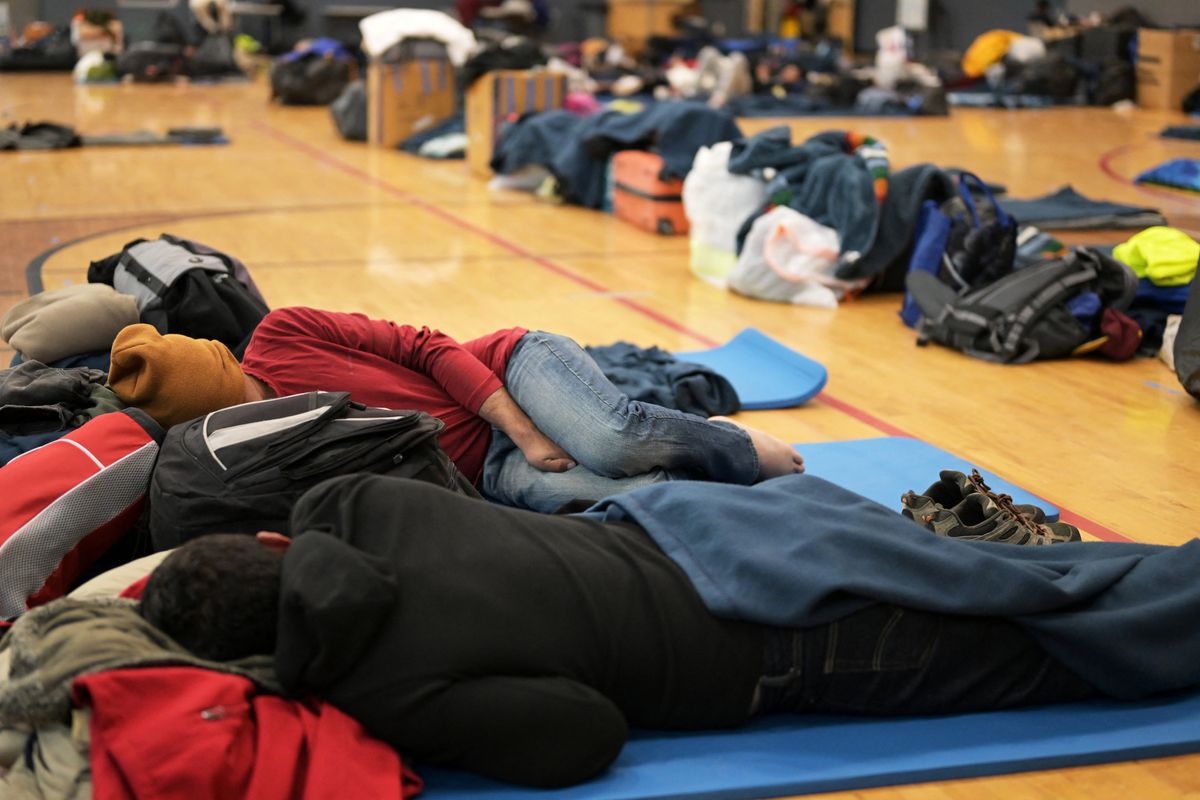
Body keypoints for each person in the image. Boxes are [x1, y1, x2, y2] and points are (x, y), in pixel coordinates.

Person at [138, 473, 1200, 788]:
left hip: (773, 633)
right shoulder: (357, 501)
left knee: (1078, 641)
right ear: (273, 546)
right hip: (727, 519)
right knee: (1051, 576)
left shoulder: (386, 685)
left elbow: (581, 735)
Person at [106, 307, 804, 512]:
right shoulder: (247, 456)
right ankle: (695, 459)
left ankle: (731, 444)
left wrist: (523, 431)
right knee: (624, 497)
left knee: (611, 440)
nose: (259, 406)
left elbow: (427, 345)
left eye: (254, 396)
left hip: (511, 376)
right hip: (486, 477)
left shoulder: (283, 334)